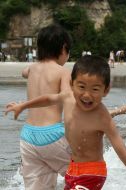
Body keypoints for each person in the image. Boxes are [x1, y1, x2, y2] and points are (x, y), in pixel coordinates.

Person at [5, 55, 126, 190]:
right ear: (71, 84)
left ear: (106, 90)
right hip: (72, 170)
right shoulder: (68, 98)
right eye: (81, 87)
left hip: (92, 173)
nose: (87, 95)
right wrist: (23, 106)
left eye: (95, 89)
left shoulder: (102, 117)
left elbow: (121, 150)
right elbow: (49, 99)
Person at [15, 24, 72, 190]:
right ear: (63, 48)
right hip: (51, 135)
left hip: (27, 136)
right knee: (81, 175)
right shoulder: (62, 71)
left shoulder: (32, 69)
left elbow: (23, 72)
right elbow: (67, 99)